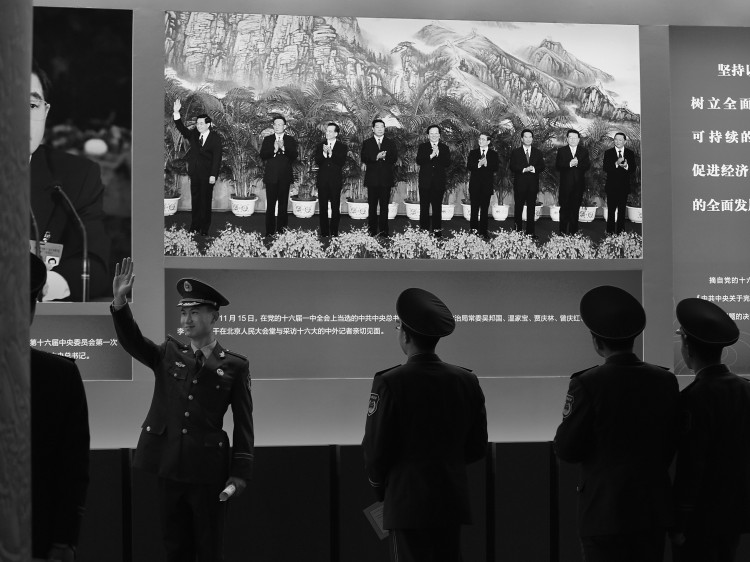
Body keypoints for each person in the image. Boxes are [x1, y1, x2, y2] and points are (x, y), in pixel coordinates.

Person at [110, 258, 254, 562]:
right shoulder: (168, 354)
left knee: (208, 547)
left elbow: (243, 424)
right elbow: (134, 342)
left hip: (209, 472)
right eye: (184, 313)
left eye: (195, 313)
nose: (187, 320)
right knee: (175, 548)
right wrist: (120, 302)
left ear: (214, 317)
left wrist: (239, 474)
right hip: (170, 467)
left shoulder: (235, 366)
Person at [554, 285, 680, 562]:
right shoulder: (665, 380)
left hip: (604, 512)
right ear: (633, 337)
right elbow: (672, 441)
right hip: (651, 510)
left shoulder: (587, 383)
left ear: (596, 340)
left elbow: (567, 449)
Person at [362, 288, 488, 562]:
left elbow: (376, 450)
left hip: (406, 502)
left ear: (405, 335)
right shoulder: (466, 380)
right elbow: (477, 447)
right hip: (449, 500)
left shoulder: (390, 381)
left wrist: (382, 488)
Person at [672, 298, 750, 562]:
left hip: (700, 520)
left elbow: (691, 466)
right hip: (736, 514)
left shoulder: (693, 398)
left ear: (687, 346)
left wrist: (680, 521)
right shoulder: (746, 390)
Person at [30, 61, 110, 301]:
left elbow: (94, 265)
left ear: (45, 111)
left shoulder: (75, 177)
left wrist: (42, 286)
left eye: (31, 105)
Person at [30, 253, 90, 562]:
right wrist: (64, 541)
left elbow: (73, 468)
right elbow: (72, 471)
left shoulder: (60, 376)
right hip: (39, 538)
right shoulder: (61, 376)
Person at [172, 99, 222, 236]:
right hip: (194, 173)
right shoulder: (194, 134)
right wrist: (176, 113)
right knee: (195, 201)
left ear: (208, 124)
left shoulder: (215, 138)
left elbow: (217, 159)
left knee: (205, 202)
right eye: (197, 123)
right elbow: (182, 129)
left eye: (201, 123)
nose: (198, 126)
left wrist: (213, 175)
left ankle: (204, 229)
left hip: (207, 176)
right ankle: (194, 227)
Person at [260, 115, 298, 237]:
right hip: (271, 177)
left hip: (284, 177)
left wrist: (283, 148)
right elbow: (263, 155)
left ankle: (282, 231)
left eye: (280, 124)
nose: (277, 127)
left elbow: (294, 156)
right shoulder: (268, 139)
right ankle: (269, 232)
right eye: (275, 124)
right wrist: (275, 150)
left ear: (285, 126)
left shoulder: (290, 140)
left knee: (283, 206)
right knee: (270, 206)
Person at [361, 118, 398, 237]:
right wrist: (376, 157)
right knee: (372, 207)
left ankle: (384, 231)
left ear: (384, 129)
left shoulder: (390, 142)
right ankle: (371, 230)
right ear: (373, 129)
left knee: (384, 207)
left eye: (382, 127)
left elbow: (394, 158)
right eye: (377, 127)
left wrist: (385, 158)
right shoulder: (367, 142)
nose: (380, 129)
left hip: (385, 179)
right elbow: (364, 158)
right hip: (372, 180)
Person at [509, 128, 546, 237]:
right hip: (520, 185)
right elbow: (512, 166)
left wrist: (533, 168)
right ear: (522, 139)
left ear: (532, 139)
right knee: (518, 208)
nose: (528, 139)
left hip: (532, 185)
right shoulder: (516, 152)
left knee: (531, 209)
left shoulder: (537, 152)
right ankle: (517, 231)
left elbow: (542, 166)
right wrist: (524, 169)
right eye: (526, 137)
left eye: (530, 137)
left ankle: (530, 232)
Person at [416, 125, 451, 237]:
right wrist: (431, 155)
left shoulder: (444, 148)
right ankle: (424, 231)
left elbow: (447, 163)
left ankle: (437, 232)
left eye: (436, 133)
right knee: (424, 208)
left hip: (438, 183)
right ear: (428, 135)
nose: (434, 135)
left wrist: (439, 154)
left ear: (439, 135)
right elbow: (419, 161)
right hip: (425, 182)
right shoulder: (423, 147)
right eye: (432, 133)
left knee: (437, 208)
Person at [314, 122, 348, 237]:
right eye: (326, 131)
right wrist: (324, 153)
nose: (327, 133)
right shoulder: (320, 145)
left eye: (330, 131)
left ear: (336, 133)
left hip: (335, 181)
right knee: (322, 207)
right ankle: (324, 232)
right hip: (322, 180)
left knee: (335, 207)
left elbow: (341, 162)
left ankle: (334, 231)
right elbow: (317, 161)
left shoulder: (342, 147)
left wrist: (331, 153)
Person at [555, 129, 590, 235]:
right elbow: (558, 166)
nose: (573, 140)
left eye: (575, 138)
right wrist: (569, 164)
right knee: (564, 209)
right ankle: (562, 233)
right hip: (565, 186)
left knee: (575, 210)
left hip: (578, 186)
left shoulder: (584, 151)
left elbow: (587, 166)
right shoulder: (562, 151)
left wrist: (578, 164)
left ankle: (573, 233)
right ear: (567, 139)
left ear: (579, 139)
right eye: (570, 137)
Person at [466, 132, 499, 238]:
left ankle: (484, 232)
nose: (480, 141)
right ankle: (473, 231)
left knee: (484, 210)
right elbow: (469, 166)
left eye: (483, 139)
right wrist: (479, 164)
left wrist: (487, 164)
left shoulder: (493, 154)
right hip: (475, 185)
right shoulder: (473, 153)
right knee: (474, 209)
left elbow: (496, 167)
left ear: (488, 142)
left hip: (487, 186)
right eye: (480, 139)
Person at [603, 132, 636, 235]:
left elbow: (633, 169)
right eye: (616, 139)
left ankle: (621, 233)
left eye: (620, 140)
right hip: (611, 187)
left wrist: (626, 166)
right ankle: (610, 233)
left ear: (624, 141)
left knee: (622, 212)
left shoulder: (630, 153)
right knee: (611, 211)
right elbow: (605, 168)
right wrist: (616, 163)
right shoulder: (608, 153)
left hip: (624, 187)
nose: (617, 142)